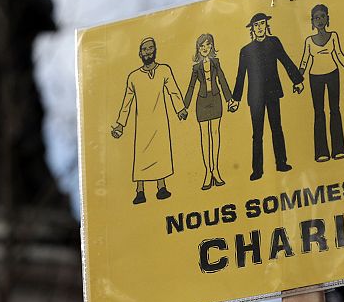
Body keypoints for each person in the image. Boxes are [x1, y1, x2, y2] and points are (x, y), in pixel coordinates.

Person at [111, 38, 188, 204]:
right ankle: (140, 191)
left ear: (155, 50)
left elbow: (173, 91)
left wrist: (180, 109)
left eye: (151, 48)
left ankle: (162, 187)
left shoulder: (164, 71)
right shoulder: (134, 77)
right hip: (143, 124)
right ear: (140, 53)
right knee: (141, 156)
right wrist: (120, 125)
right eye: (145, 49)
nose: (148, 52)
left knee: (161, 152)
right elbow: (127, 102)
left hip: (160, 121)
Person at [229, 13, 304, 181]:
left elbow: (286, 61)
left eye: (262, 24)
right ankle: (257, 170)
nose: (260, 27)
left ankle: (281, 162)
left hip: (272, 92)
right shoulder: (246, 51)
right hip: (255, 97)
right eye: (256, 25)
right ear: (252, 29)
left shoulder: (274, 42)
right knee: (257, 133)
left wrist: (297, 80)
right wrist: (235, 99)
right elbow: (240, 76)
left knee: (277, 128)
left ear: (266, 25)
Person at [298, 4, 344, 162]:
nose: (319, 20)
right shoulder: (308, 41)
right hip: (315, 77)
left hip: (333, 74)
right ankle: (321, 152)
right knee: (319, 113)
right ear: (312, 22)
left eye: (322, 16)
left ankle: (339, 149)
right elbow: (304, 61)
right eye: (316, 18)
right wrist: (298, 80)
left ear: (328, 19)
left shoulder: (333, 36)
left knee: (335, 110)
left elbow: (340, 55)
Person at [183, 33, 233, 190]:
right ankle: (207, 172)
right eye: (201, 46)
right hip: (202, 102)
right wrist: (184, 106)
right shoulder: (196, 67)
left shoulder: (216, 63)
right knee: (205, 137)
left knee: (216, 135)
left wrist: (229, 99)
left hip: (216, 99)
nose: (205, 48)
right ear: (198, 49)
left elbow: (222, 79)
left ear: (212, 46)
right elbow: (191, 87)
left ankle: (216, 171)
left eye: (207, 45)